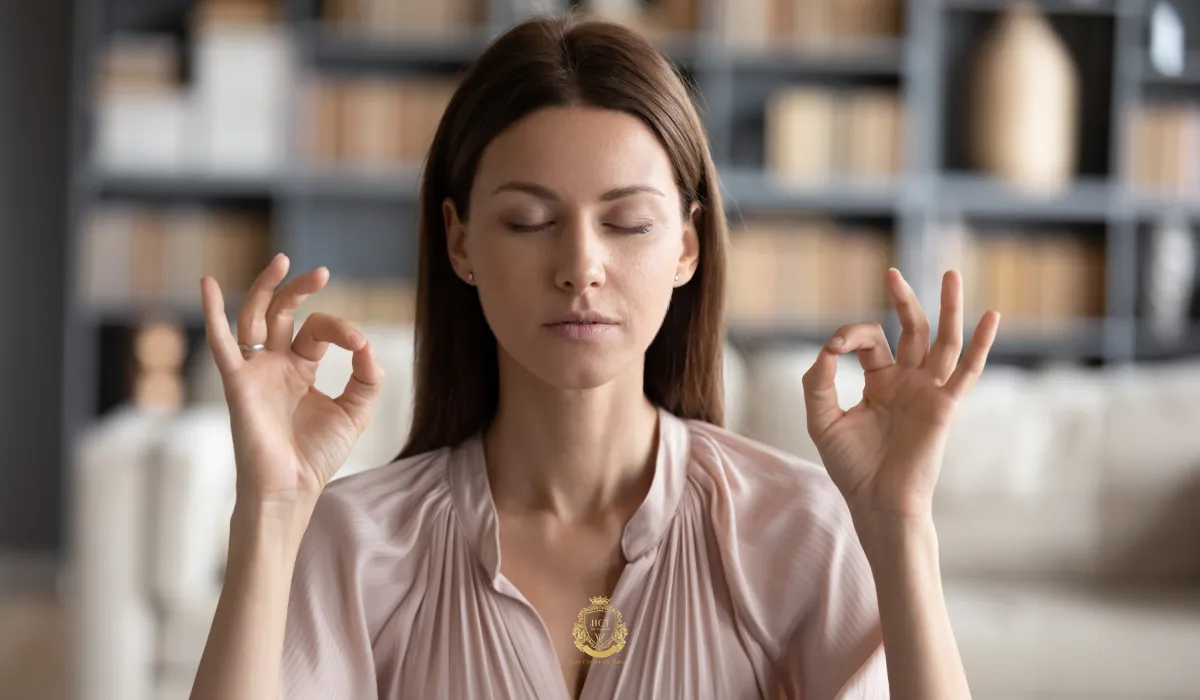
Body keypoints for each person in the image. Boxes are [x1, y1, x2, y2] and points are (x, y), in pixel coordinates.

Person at [189, 13, 999, 700]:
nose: (581, 265)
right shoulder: (359, 542)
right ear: (460, 241)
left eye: (628, 223)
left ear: (686, 245)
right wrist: (271, 507)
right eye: (530, 221)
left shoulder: (791, 531)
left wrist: (898, 528)